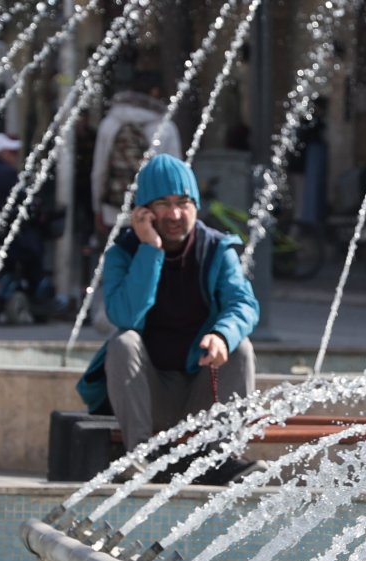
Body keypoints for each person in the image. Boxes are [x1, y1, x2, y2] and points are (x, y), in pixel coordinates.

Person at [76, 154, 260, 481]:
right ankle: (139, 459)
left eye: (183, 203)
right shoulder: (125, 253)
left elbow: (243, 305)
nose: (175, 214)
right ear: (144, 211)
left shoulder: (217, 250)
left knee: (240, 347)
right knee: (124, 342)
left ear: (196, 205)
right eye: (163, 204)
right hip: (149, 395)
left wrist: (221, 335)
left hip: (201, 390)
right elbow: (125, 316)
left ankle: (222, 457)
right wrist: (150, 250)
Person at [90, 74, 183, 238]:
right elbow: (175, 176)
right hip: (154, 215)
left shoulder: (110, 123)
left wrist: (98, 209)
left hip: (114, 212)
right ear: (155, 93)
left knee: (117, 260)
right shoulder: (166, 128)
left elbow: (99, 171)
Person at [0, 132, 47, 297]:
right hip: (6, 238)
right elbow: (24, 203)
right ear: (0, 153)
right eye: (12, 153)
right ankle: (37, 292)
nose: (16, 157)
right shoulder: (6, 175)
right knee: (33, 247)